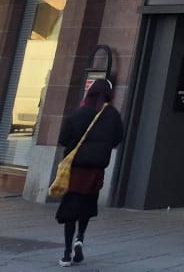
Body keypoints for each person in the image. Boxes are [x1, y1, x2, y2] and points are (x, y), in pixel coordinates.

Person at [53, 79, 126, 266]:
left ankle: (67, 252)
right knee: (86, 206)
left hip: (76, 170)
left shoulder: (77, 114)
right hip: (96, 170)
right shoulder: (112, 115)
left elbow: (63, 139)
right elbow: (118, 139)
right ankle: (80, 238)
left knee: (71, 209)